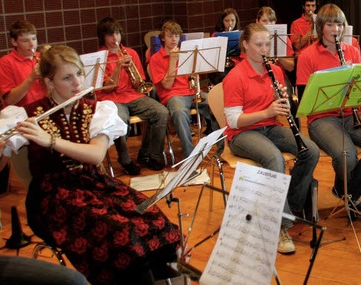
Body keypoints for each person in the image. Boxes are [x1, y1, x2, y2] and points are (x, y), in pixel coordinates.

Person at [0, 45, 181, 285]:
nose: (77, 83)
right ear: (49, 82)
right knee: (121, 234)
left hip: (94, 184)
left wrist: (49, 140)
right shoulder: (26, 115)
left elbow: (96, 155)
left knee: (155, 219)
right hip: (52, 197)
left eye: (79, 74)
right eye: (67, 77)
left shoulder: (97, 110)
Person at [222, 23, 320, 254]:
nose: (264, 49)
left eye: (267, 44)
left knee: (311, 151)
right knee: (274, 160)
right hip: (243, 134)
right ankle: (281, 227)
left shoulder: (274, 70)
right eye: (258, 44)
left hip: (270, 127)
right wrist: (268, 111)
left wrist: (280, 99)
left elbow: (278, 104)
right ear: (245, 45)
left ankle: (290, 206)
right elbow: (234, 121)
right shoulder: (235, 77)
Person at [297, 3, 361, 215]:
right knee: (345, 156)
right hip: (322, 119)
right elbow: (305, 102)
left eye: (339, 24)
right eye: (330, 24)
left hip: (351, 115)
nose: (335, 30)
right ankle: (349, 193)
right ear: (321, 27)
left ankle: (345, 191)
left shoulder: (352, 51)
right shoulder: (307, 56)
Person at [96, 17, 170, 173]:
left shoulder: (130, 53)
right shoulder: (100, 57)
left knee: (161, 112)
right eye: (110, 35)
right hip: (111, 99)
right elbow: (107, 89)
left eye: (117, 33)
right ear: (103, 37)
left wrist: (132, 72)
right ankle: (125, 160)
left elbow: (139, 84)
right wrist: (117, 68)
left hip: (132, 95)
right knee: (120, 120)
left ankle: (150, 155)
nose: (114, 38)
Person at [149, 20, 221, 161]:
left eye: (176, 36)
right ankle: (190, 157)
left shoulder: (186, 53)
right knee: (180, 112)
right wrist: (172, 60)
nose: (174, 39)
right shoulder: (156, 59)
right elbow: (167, 86)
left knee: (217, 103)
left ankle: (222, 150)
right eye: (170, 36)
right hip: (173, 95)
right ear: (163, 38)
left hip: (191, 92)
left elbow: (193, 78)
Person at [0, 20, 47, 108]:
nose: (32, 44)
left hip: (45, 109)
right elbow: (10, 100)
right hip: (22, 115)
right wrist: (31, 78)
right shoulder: (5, 62)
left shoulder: (43, 57)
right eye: (25, 41)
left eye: (34, 39)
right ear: (14, 42)